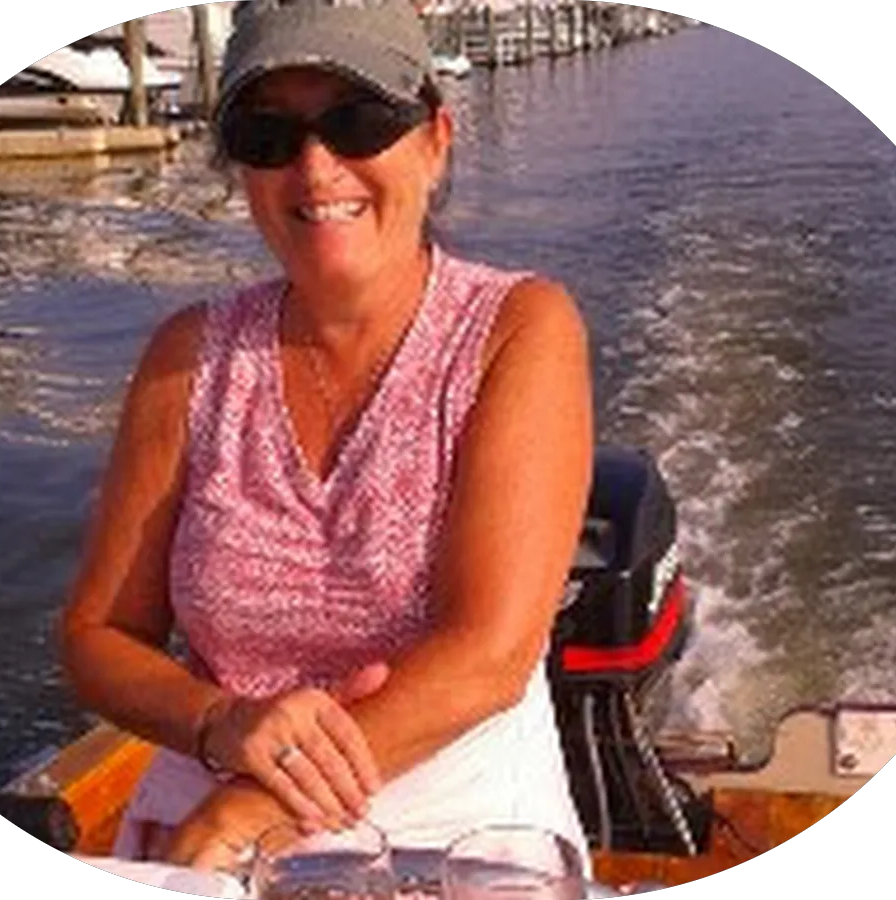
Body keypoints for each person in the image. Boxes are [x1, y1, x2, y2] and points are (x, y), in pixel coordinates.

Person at [60, 0, 595, 873]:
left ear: (435, 140)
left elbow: (490, 656)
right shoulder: (186, 357)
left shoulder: (518, 328)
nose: (315, 167)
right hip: (209, 809)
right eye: (268, 135)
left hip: (454, 830)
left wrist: (248, 812)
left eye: (358, 121)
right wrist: (221, 721)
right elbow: (97, 634)